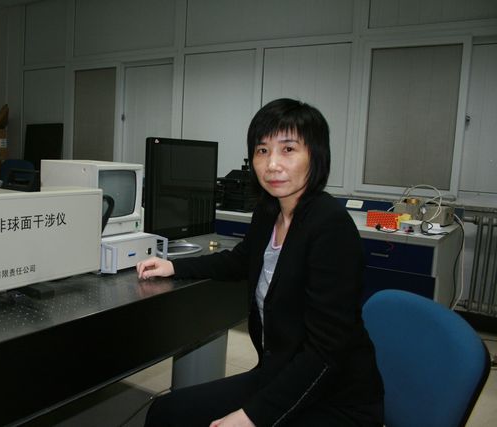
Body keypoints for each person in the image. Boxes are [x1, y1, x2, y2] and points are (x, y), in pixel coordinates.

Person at [136, 98, 384, 427]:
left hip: (334, 396)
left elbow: (326, 352)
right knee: (166, 412)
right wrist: (175, 267)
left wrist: (254, 416)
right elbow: (241, 260)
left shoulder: (330, 227)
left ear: (316, 156)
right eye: (262, 150)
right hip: (279, 373)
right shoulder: (269, 211)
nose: (272, 164)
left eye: (288, 149)